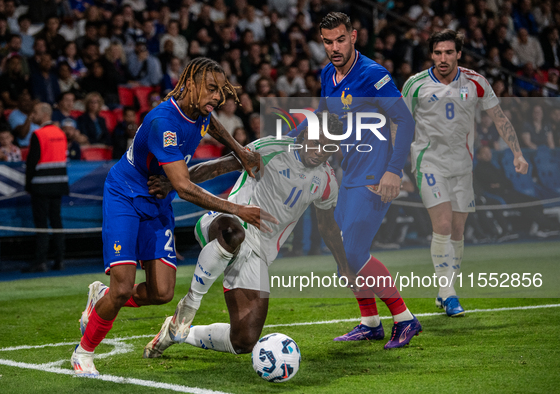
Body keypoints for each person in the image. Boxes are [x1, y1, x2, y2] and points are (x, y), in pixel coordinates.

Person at [70, 57, 277, 377]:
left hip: (156, 202)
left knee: (162, 293)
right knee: (123, 287)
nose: (217, 98)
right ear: (190, 85)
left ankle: (100, 297)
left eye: (221, 92)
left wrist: (240, 150)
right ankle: (83, 352)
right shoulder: (163, 122)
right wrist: (238, 209)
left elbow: (215, 127)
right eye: (211, 89)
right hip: (125, 195)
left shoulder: (201, 113)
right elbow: (183, 187)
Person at [138, 112, 372, 358]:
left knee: (244, 341)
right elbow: (217, 167)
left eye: (330, 147)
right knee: (234, 234)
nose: (321, 151)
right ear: (305, 135)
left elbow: (328, 227)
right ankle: (190, 304)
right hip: (225, 223)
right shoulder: (270, 148)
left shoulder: (326, 182)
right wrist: (170, 183)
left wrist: (344, 266)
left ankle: (177, 332)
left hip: (260, 252)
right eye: (317, 142)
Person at [286, 12, 420, 345]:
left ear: (354, 36)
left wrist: (394, 169)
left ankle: (404, 319)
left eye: (340, 39)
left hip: (375, 174)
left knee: (356, 252)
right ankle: (370, 322)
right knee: (344, 256)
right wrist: (288, 140)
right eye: (328, 41)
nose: (334, 47)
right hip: (349, 173)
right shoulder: (328, 74)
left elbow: (404, 121)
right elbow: (322, 115)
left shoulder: (373, 74)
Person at [402, 29, 528, 317]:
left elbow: (500, 118)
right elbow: (399, 124)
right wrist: (389, 167)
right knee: (443, 224)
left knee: (458, 231)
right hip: (428, 161)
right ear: (431, 55)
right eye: (437, 53)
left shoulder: (476, 82)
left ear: (459, 53)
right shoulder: (415, 84)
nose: (442, 58)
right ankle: (448, 294)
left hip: (462, 166)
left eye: (448, 52)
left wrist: (517, 153)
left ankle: (445, 289)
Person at [23, 103, 69, 273]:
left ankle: (41, 261)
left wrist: (28, 185)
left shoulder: (38, 134)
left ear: (43, 114)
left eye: (34, 112)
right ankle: (60, 260)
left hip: (41, 186)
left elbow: (31, 163)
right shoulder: (61, 134)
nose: (32, 115)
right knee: (57, 222)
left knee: (42, 224)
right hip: (59, 185)